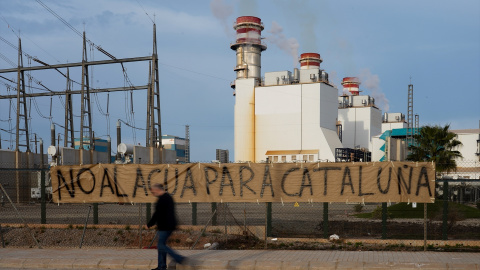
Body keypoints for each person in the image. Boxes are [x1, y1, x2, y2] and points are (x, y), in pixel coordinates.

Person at [147, 183, 185, 270]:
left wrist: (150, 223)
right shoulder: (168, 197)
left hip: (165, 226)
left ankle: (178, 258)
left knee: (161, 245)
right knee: (161, 246)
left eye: (153, 191)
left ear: (157, 190)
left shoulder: (163, 199)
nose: (153, 193)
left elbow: (157, 214)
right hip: (166, 225)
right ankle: (161, 266)